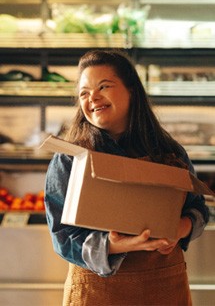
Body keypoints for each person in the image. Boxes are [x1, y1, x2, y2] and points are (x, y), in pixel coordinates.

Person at [44, 49, 209, 306]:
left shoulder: (169, 152)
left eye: (103, 87)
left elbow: (198, 210)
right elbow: (62, 237)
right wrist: (114, 245)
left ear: (131, 89)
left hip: (163, 287)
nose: (93, 98)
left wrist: (180, 228)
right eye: (84, 93)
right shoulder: (71, 157)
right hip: (97, 291)